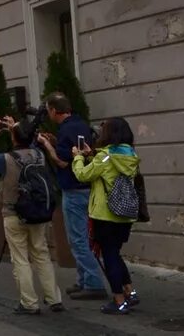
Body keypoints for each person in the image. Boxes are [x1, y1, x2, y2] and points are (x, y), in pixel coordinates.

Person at [0, 115, 63, 315]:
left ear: (13, 138)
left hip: (14, 213)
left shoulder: (5, 160)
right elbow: (29, 141)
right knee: (41, 255)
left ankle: (29, 303)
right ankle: (54, 298)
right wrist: (17, 127)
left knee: (20, 259)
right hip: (39, 212)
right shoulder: (39, 154)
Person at [37, 92, 108, 299]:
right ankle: (83, 280)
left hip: (74, 189)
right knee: (84, 237)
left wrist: (46, 144)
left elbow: (62, 161)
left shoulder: (66, 129)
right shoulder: (80, 125)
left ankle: (93, 283)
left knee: (77, 239)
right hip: (88, 187)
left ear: (52, 110)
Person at [71, 117, 141, 315]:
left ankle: (118, 300)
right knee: (115, 253)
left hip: (106, 214)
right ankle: (130, 291)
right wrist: (92, 154)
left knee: (109, 257)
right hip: (125, 214)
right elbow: (110, 166)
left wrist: (78, 157)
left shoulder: (105, 156)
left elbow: (83, 175)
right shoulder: (130, 155)